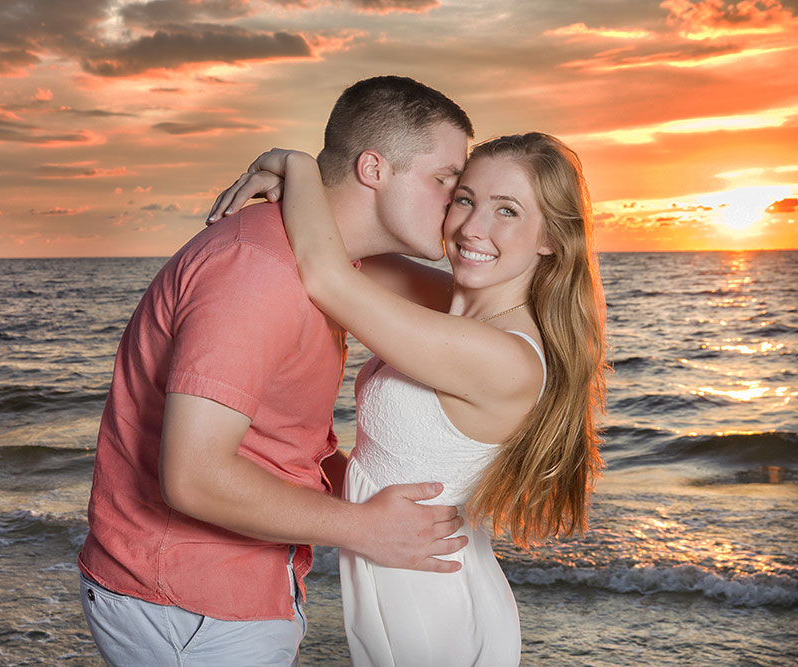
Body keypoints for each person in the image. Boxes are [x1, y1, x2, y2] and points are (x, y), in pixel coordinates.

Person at [77, 76, 476, 666]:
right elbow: (193, 477)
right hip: (188, 601)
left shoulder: (333, 262)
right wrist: (364, 528)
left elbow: (280, 441)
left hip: (225, 588)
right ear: (374, 169)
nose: (454, 203)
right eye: (445, 179)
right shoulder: (257, 270)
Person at [207, 132, 608, 665]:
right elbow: (345, 248)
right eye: (464, 199)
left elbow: (328, 276)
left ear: (551, 239)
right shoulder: (457, 310)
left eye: (506, 211)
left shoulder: (503, 356)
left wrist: (293, 162)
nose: (472, 227)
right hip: (407, 578)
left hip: (432, 605)